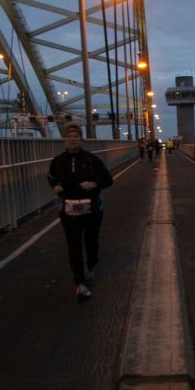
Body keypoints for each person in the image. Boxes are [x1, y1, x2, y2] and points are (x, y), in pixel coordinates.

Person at [48, 124, 114, 300]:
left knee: (91, 241)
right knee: (73, 245)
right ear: (64, 139)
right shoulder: (58, 160)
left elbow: (108, 180)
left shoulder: (91, 159)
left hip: (92, 208)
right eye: (69, 136)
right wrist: (54, 186)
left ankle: (91, 266)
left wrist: (94, 184)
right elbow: (51, 177)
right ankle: (79, 282)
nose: (72, 139)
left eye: (76, 136)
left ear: (81, 140)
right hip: (68, 209)